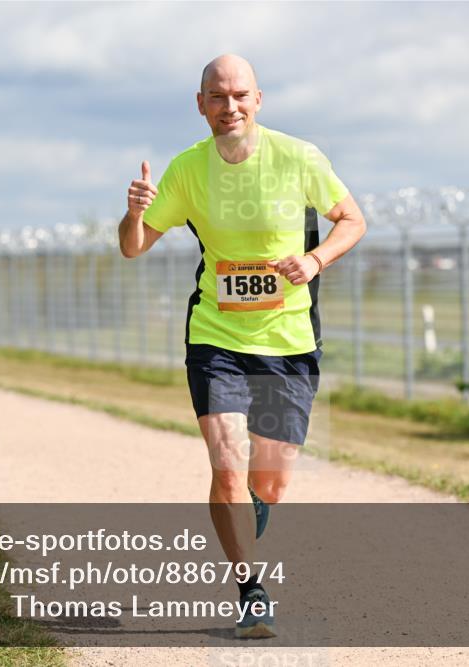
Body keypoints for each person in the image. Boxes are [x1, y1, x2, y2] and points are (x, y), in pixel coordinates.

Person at [118, 54, 366, 638]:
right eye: (217, 96)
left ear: (258, 100)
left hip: (288, 340)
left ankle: (245, 518)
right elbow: (133, 246)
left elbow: (352, 220)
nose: (229, 106)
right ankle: (251, 590)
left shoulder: (298, 157)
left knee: (270, 482)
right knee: (227, 464)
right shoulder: (187, 169)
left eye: (239, 95)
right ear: (200, 104)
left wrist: (315, 260)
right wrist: (132, 215)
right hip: (217, 336)